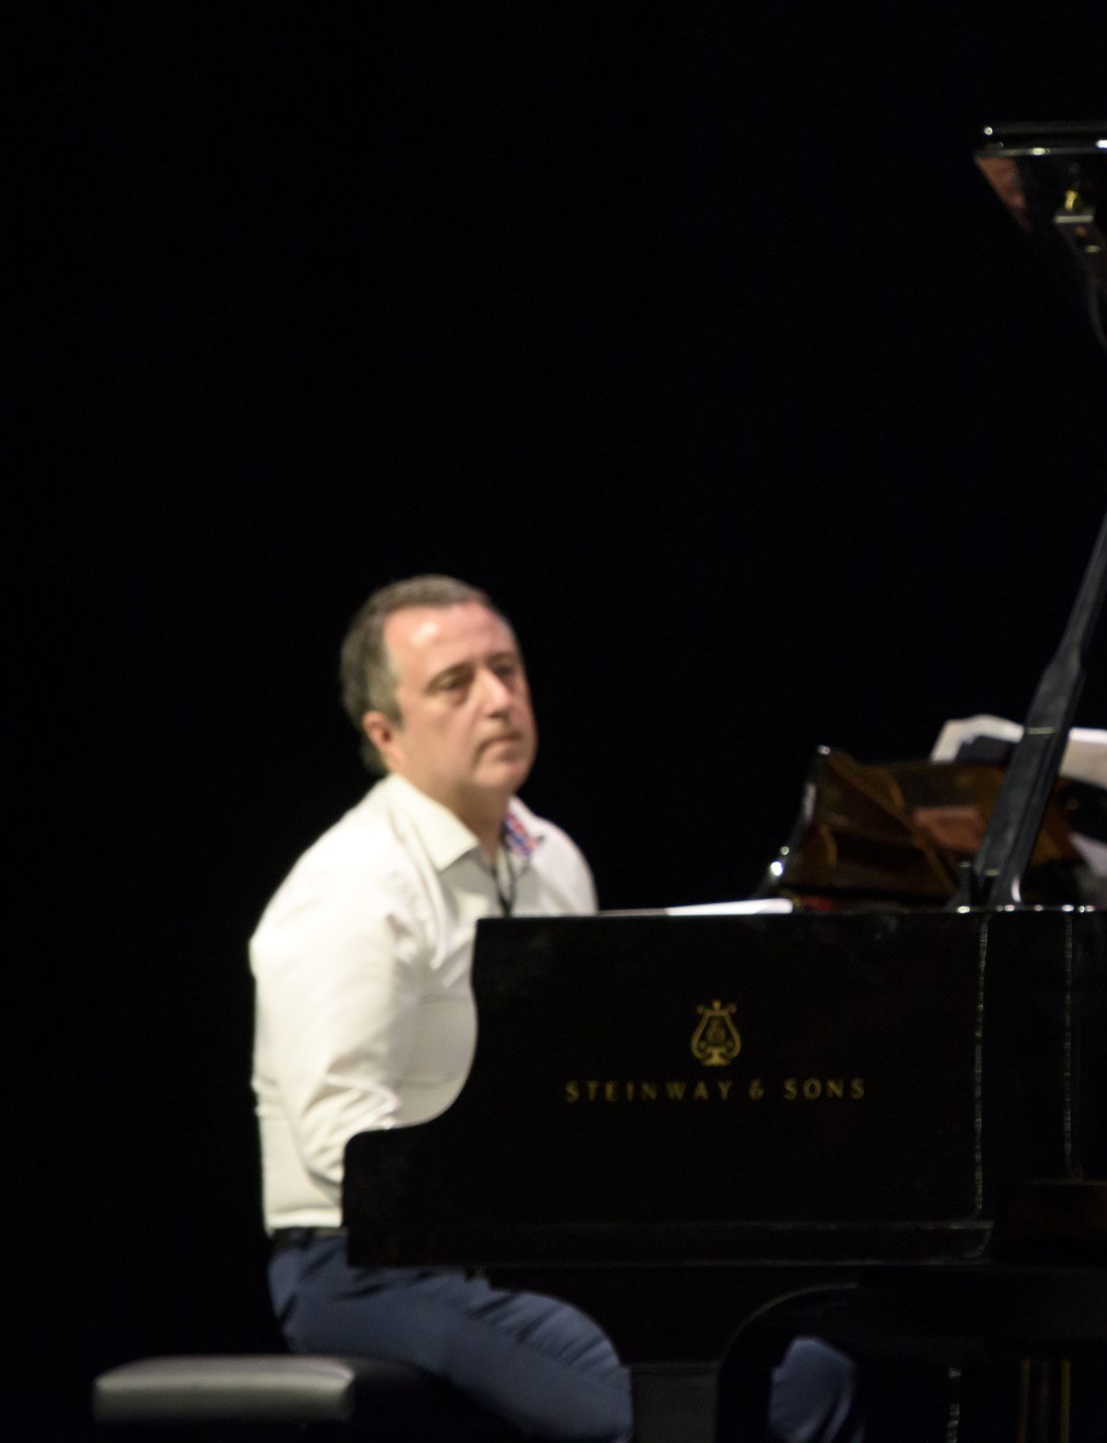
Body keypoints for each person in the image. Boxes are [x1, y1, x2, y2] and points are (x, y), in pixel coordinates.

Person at [251, 575, 858, 1443]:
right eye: (455, 683)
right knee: (693, 1403)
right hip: (363, 1267)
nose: (497, 699)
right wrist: (520, 1200)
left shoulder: (554, 859)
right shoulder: (352, 886)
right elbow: (343, 1140)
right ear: (386, 734)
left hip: (520, 1251)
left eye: (506, 669)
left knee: (811, 1371)